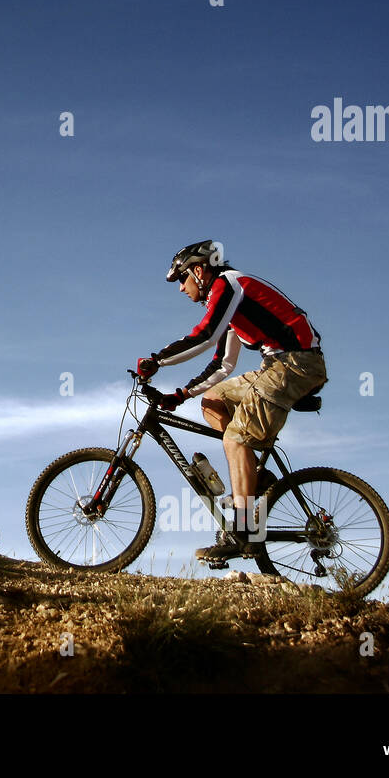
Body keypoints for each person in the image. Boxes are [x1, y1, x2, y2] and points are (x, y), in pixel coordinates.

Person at [135, 240, 327, 562]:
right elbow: (223, 362)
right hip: (277, 365)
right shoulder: (228, 300)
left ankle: (241, 529)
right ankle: (254, 482)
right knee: (212, 401)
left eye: (182, 279)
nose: (182, 289)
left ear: (199, 271)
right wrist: (182, 394)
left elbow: (206, 334)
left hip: (296, 364)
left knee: (236, 438)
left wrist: (158, 360)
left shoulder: (228, 285)